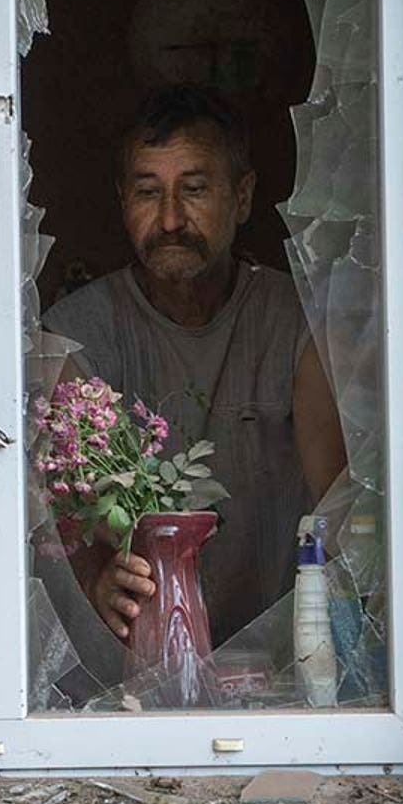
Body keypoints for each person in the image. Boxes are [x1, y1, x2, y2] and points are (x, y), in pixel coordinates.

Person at [43, 86, 347, 644]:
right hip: (133, 653)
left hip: (282, 650)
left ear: (243, 196)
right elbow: (70, 515)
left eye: (196, 190)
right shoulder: (78, 333)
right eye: (146, 192)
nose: (170, 219)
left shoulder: (294, 321)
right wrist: (96, 577)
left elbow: (337, 509)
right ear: (121, 200)